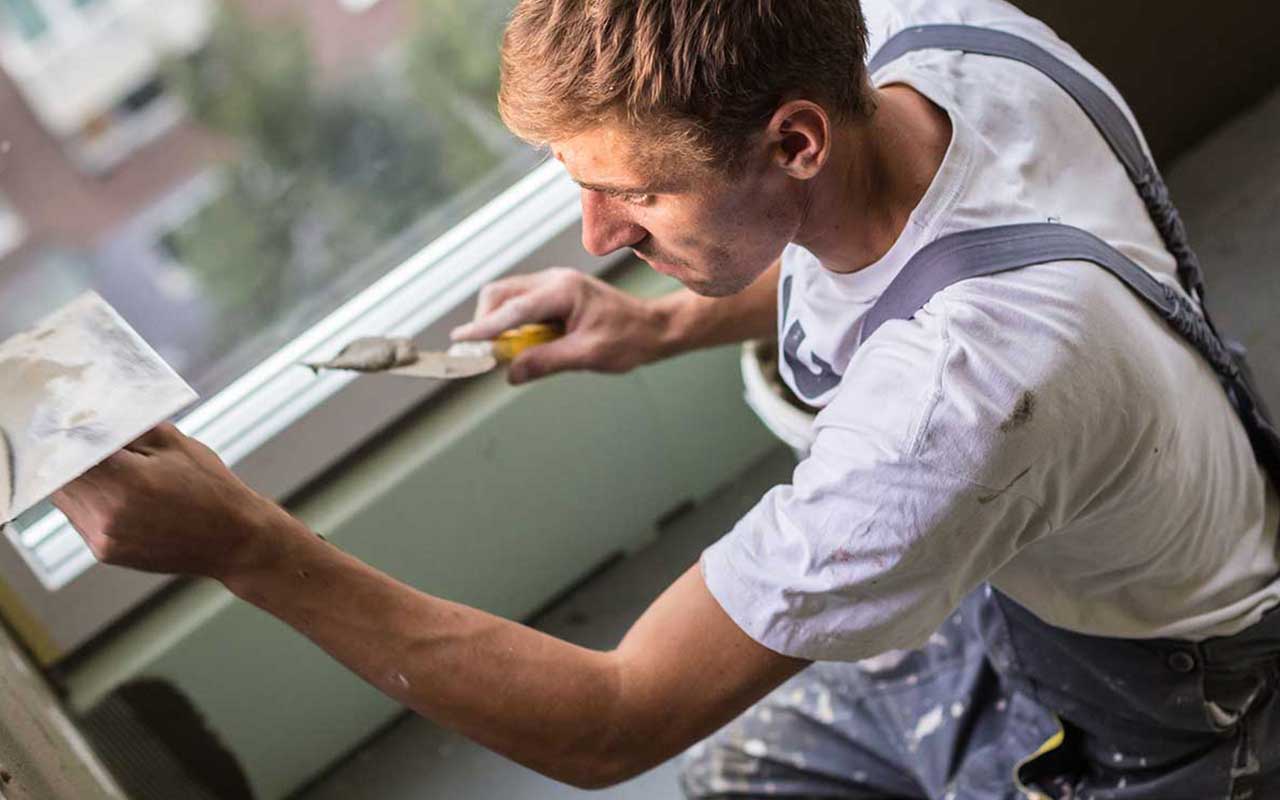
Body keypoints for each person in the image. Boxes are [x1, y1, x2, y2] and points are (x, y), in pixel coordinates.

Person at [54, 0, 1280, 797]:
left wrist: (245, 545)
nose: (595, 233)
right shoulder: (938, 37)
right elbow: (866, 264)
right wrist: (650, 322)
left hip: (1176, 704)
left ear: (795, 141)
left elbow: (613, 718)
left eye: (634, 195)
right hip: (1085, 550)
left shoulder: (954, 408)